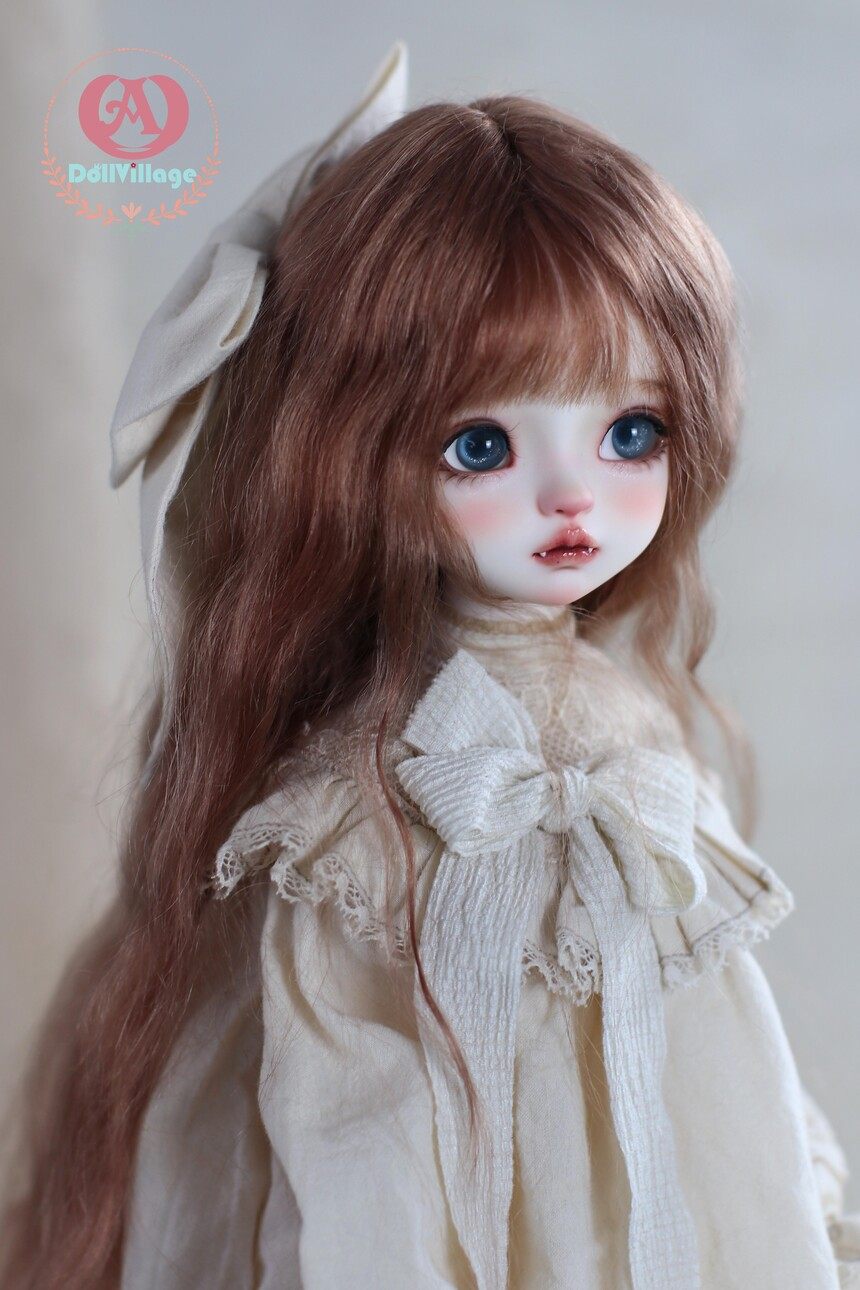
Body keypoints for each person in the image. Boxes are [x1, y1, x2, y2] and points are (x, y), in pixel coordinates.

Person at [2, 40, 858, 1290]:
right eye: (481, 446)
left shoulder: (635, 741)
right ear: (350, 462)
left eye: (630, 431)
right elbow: (355, 1126)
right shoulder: (362, 810)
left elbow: (729, 1067)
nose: (570, 496)